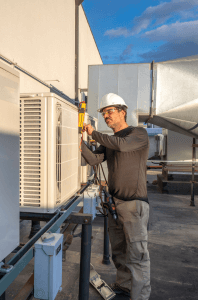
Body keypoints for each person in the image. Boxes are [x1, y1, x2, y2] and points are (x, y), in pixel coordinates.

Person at [81, 93, 151, 300]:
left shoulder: (138, 134)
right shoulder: (110, 142)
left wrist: (94, 133)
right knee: (119, 251)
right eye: (104, 113)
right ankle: (124, 285)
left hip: (133, 205)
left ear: (123, 112)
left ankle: (140, 296)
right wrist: (80, 143)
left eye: (110, 111)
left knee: (137, 255)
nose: (106, 116)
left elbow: (121, 145)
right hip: (114, 204)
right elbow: (94, 160)